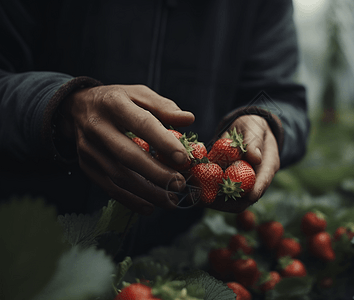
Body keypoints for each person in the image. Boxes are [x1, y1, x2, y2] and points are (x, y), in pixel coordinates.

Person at [0, 0, 310, 258]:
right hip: (28, 244)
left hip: (178, 257)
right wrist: (63, 107)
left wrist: (265, 119)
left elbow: (281, 96)